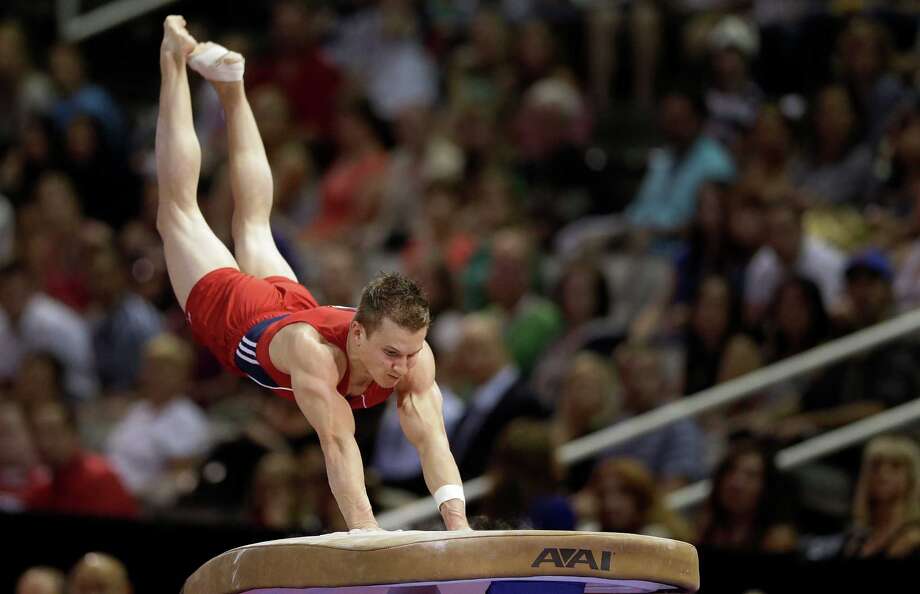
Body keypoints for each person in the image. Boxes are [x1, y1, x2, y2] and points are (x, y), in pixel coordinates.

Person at [154, 16, 467, 532]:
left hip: (288, 304)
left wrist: (458, 527)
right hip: (240, 317)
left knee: (255, 223)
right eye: (391, 353)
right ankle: (171, 61)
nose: (400, 366)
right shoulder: (316, 355)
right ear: (359, 333)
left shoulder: (413, 356)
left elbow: (432, 437)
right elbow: (338, 442)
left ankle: (233, 91)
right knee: (178, 212)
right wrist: (366, 533)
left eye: (410, 352)